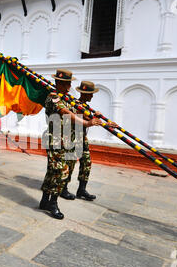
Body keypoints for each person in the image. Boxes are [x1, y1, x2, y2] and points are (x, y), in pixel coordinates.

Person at [40, 69, 101, 220]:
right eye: (66, 83)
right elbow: (66, 113)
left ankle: (44, 201)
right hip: (55, 140)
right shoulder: (53, 97)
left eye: (69, 84)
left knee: (52, 172)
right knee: (61, 172)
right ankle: (53, 204)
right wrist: (87, 123)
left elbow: (77, 111)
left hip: (64, 141)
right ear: (59, 83)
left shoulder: (66, 98)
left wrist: (93, 117)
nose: (69, 87)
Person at [62, 81, 118, 201]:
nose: (92, 96)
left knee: (86, 162)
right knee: (70, 163)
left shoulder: (86, 106)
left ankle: (82, 189)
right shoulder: (75, 104)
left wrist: (107, 122)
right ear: (85, 94)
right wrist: (101, 120)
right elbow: (88, 119)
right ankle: (63, 188)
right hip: (72, 137)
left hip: (82, 138)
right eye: (90, 94)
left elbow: (92, 119)